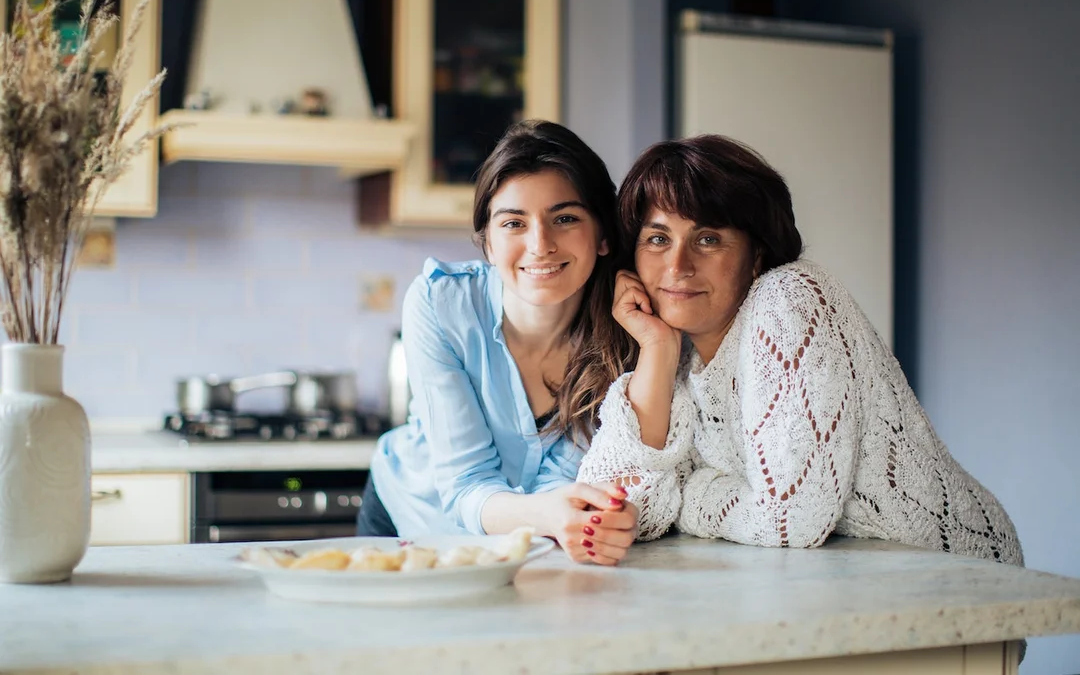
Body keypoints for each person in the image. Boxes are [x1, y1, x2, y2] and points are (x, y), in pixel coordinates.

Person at [578, 134, 1023, 566]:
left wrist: (691, 494)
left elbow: (791, 521)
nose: (678, 266)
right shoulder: (679, 354)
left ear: (756, 255)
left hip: (955, 569)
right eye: (658, 239)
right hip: (850, 582)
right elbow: (608, 509)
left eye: (708, 239)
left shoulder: (790, 298)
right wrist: (656, 350)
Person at [360, 120, 638, 566]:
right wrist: (550, 513)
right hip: (412, 518)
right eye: (514, 223)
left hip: (533, 542)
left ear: (603, 235)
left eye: (564, 218)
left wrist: (566, 514)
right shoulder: (441, 303)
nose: (539, 244)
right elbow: (466, 482)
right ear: (486, 242)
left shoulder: (627, 332)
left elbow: (568, 486)